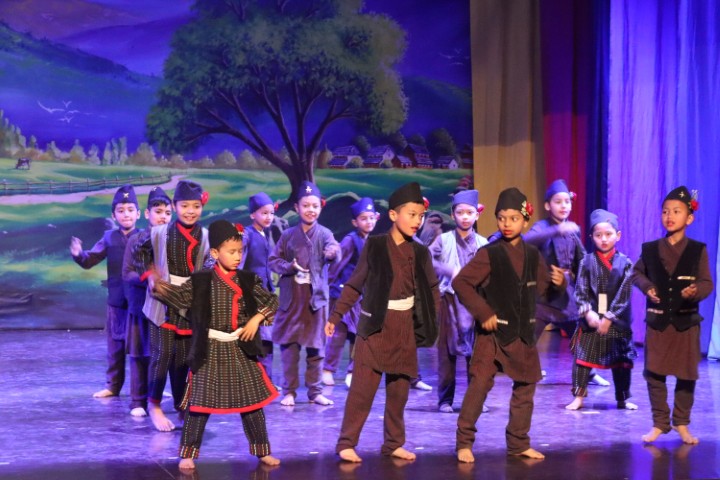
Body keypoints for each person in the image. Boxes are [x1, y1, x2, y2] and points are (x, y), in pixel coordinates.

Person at [149, 220, 280, 470]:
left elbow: (271, 301)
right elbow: (180, 297)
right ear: (215, 253)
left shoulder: (248, 280)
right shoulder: (202, 280)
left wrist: (256, 319)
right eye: (231, 252)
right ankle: (188, 453)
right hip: (210, 349)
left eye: (240, 251)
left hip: (240, 348)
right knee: (199, 405)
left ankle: (262, 451)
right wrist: (158, 284)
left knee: (252, 405)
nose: (237, 256)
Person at [325, 182, 440, 463]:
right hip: (375, 326)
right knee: (361, 391)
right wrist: (336, 315)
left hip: (404, 327)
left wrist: (430, 321)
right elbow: (355, 284)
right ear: (393, 215)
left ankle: (393, 443)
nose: (417, 221)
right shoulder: (375, 246)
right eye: (411, 214)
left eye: (421, 216)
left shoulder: (420, 252)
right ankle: (346, 443)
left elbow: (432, 290)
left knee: (399, 392)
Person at [452, 187, 566, 462]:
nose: (506, 224)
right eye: (501, 218)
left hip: (522, 332)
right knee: (479, 386)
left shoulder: (532, 255)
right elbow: (461, 283)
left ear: (525, 220)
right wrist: (483, 312)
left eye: (513, 218)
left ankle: (518, 442)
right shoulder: (489, 253)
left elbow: (545, 292)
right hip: (491, 334)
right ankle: (464, 442)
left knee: (526, 387)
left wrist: (560, 284)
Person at [632, 186, 713, 444]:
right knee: (654, 373)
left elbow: (707, 282)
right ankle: (659, 423)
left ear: (689, 218)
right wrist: (647, 287)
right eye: (665, 211)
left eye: (676, 211)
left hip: (686, 323)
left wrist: (695, 291)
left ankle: (681, 422)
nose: (670, 216)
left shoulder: (697, 250)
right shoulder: (650, 249)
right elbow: (636, 273)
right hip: (658, 322)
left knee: (687, 374)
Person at [133, 180, 210, 431]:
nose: (190, 211)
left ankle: (181, 405)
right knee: (163, 355)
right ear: (175, 206)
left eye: (195, 206)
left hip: (189, 305)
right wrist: (150, 275)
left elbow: (210, 263)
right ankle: (154, 404)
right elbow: (139, 252)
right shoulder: (159, 232)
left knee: (183, 361)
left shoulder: (205, 236)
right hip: (162, 304)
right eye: (184, 205)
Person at [525, 179, 609, 386]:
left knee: (579, 334)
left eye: (567, 202)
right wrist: (556, 231)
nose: (563, 206)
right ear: (548, 206)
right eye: (558, 202)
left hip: (565, 292)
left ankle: (588, 373)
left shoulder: (571, 230)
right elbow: (526, 241)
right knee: (528, 337)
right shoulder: (542, 227)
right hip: (543, 295)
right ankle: (523, 373)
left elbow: (581, 259)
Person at [269, 181, 340, 406]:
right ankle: (289, 392)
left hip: (315, 301)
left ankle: (315, 392)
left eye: (315, 206)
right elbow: (273, 260)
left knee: (316, 349)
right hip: (292, 299)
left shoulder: (325, 234)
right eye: (306, 205)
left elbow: (334, 249)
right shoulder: (288, 235)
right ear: (297, 208)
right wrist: (289, 266)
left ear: (320, 207)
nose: (311, 210)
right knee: (289, 348)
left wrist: (331, 253)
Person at [70, 184, 141, 403]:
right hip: (116, 301)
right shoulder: (109, 237)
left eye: (130, 210)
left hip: (139, 302)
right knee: (115, 347)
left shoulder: (145, 237)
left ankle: (141, 391)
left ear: (139, 214)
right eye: (121, 210)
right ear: (113, 215)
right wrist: (79, 254)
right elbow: (90, 258)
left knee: (139, 349)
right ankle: (113, 386)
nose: (126, 214)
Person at [566, 209, 637, 411]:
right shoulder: (586, 262)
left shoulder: (625, 263)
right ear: (591, 237)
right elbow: (580, 291)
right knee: (582, 359)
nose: (604, 239)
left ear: (618, 235)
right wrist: (588, 312)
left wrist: (609, 317)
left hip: (616, 320)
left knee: (622, 362)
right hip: (592, 320)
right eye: (598, 235)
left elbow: (624, 294)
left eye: (608, 234)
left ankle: (622, 398)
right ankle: (579, 397)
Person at [428, 189, 488, 413]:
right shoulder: (443, 240)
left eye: (469, 213)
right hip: (450, 301)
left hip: (475, 304)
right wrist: (448, 269)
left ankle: (476, 399)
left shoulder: (483, 243)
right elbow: (426, 260)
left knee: (477, 355)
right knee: (446, 353)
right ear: (453, 215)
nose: (464, 217)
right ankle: (445, 400)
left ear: (477, 215)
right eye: (460, 212)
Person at [121, 186, 173, 417]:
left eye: (167, 213)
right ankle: (137, 401)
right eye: (158, 212)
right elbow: (127, 273)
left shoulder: (173, 241)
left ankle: (157, 397)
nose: (163, 217)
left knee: (162, 355)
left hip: (166, 307)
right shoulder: (136, 239)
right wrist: (150, 278)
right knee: (139, 354)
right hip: (141, 306)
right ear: (147, 214)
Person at [322, 197, 378, 388]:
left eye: (371, 218)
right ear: (355, 222)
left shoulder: (373, 241)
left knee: (359, 335)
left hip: (362, 296)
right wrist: (329, 286)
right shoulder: (350, 240)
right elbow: (337, 264)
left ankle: (353, 371)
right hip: (343, 294)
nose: (368, 222)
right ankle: (328, 369)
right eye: (364, 218)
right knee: (339, 333)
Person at [240, 192, 277, 384]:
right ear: (253, 214)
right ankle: (255, 381)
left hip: (266, 295)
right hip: (253, 296)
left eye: (271, 213)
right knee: (256, 338)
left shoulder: (265, 234)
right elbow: (239, 262)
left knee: (267, 339)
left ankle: (266, 381)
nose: (268, 217)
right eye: (264, 213)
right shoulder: (247, 235)